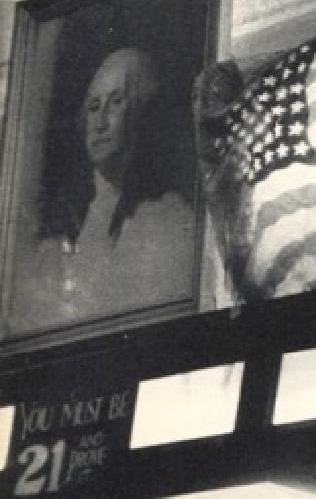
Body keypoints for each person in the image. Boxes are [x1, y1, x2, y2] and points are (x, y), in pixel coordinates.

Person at [8, 47, 195, 334]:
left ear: (141, 111)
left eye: (116, 102)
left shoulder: (169, 218)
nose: (100, 121)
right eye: (93, 106)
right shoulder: (66, 225)